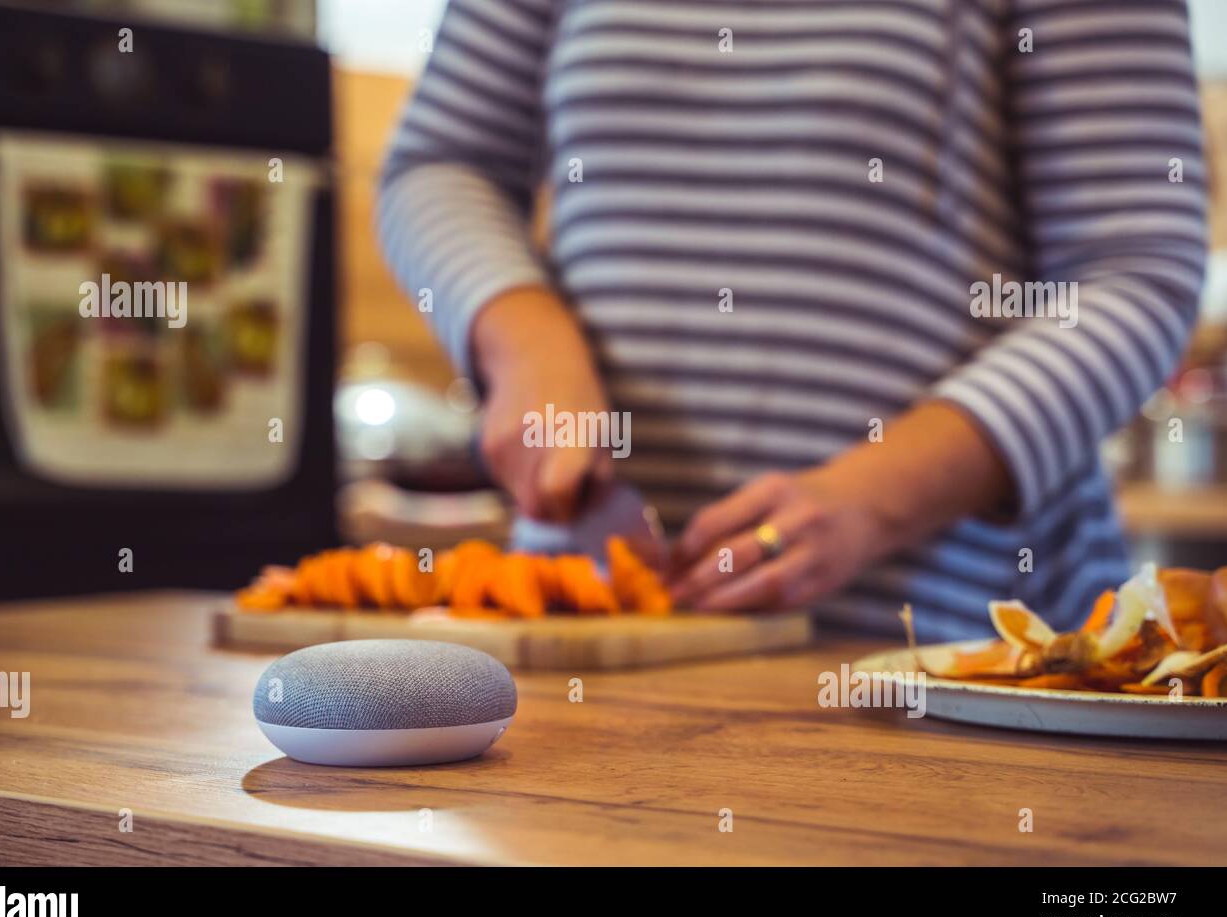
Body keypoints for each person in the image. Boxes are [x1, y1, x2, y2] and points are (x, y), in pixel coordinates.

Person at [377, 0, 1207, 641]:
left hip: (945, 648)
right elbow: (441, 165)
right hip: (582, 628)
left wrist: (873, 501)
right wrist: (524, 342)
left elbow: (1134, 271)